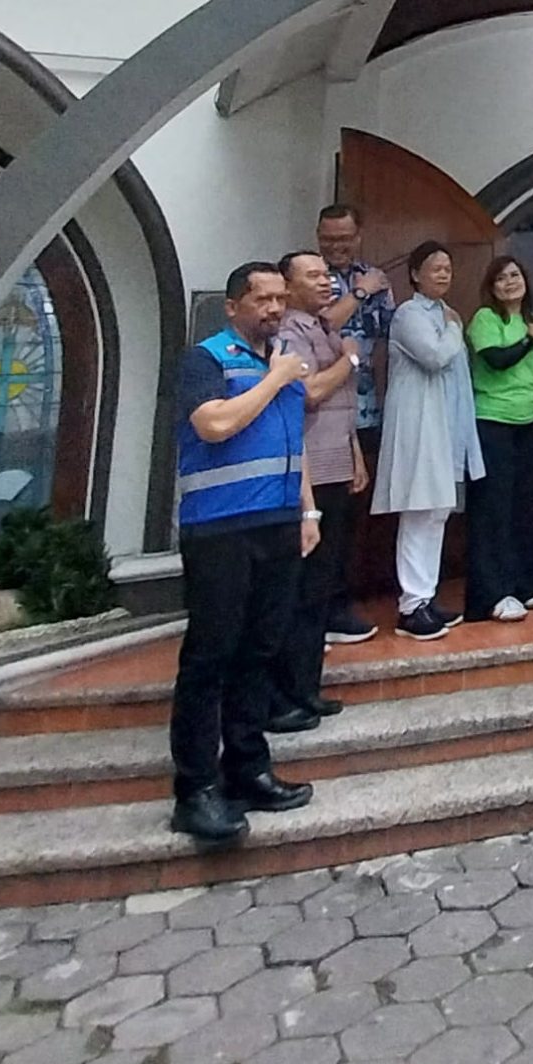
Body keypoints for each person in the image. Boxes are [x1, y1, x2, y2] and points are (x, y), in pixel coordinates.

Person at [168, 262, 346, 844]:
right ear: (233, 305)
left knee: (259, 651)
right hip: (220, 527)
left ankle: (248, 769)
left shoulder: (283, 362)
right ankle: (195, 789)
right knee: (210, 657)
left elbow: (290, 443)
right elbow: (213, 425)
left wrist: (309, 512)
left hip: (278, 523)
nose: (272, 309)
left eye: (277, 299)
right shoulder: (208, 359)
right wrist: (273, 380)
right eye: (260, 299)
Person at [267, 250, 366, 735]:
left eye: (327, 274)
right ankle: (285, 693)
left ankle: (306, 688)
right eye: (314, 275)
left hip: (335, 465)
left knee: (321, 586)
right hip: (308, 476)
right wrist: (348, 359)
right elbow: (309, 394)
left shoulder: (321, 327)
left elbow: (339, 407)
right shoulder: (291, 332)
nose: (327, 281)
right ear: (287, 286)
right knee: (302, 589)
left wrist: (355, 454)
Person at [374, 242, 486, 638]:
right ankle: (410, 604)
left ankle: (425, 594)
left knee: (437, 511)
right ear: (415, 274)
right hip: (419, 421)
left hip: (444, 422)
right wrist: (456, 326)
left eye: (448, 268)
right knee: (419, 511)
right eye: (434, 267)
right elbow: (434, 355)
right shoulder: (408, 313)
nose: (443, 274)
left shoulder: (441, 312)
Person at [314, 204, 393, 646]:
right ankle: (319, 608)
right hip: (319, 413)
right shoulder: (308, 275)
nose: (337, 246)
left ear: (358, 235)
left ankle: (344, 601)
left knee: (351, 516)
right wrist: (359, 294)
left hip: (365, 410)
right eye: (329, 238)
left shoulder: (376, 276)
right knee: (320, 515)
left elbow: (388, 332)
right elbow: (322, 325)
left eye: (344, 238)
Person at [465, 256, 533, 623]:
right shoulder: (485, 319)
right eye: (500, 278)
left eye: (515, 275)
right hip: (492, 422)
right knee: (494, 509)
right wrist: (530, 341)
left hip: (530, 422)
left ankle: (527, 583)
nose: (509, 282)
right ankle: (493, 592)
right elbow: (498, 360)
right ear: (491, 286)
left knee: (527, 507)